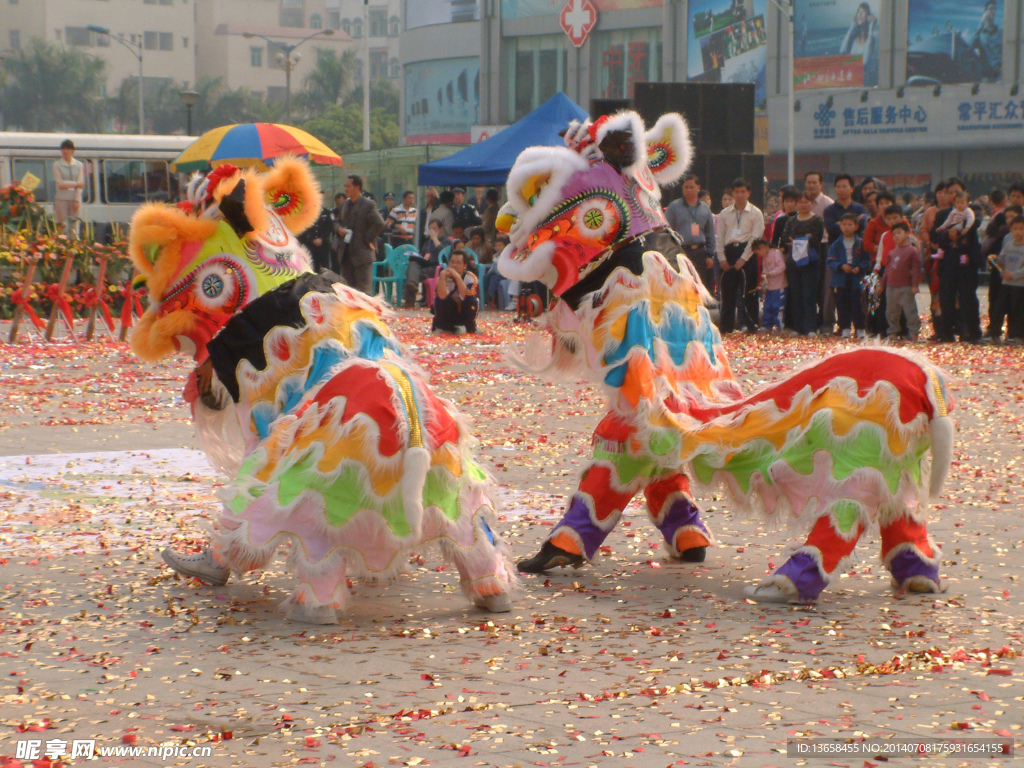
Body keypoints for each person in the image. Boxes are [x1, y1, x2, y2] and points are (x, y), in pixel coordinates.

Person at [930, 178, 983, 342]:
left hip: (967, 259)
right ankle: (946, 332)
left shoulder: (973, 210)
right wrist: (947, 234)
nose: (954, 195)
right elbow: (934, 234)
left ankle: (972, 332)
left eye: (957, 191)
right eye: (950, 192)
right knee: (946, 296)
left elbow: (975, 224)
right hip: (949, 259)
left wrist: (958, 231)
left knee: (968, 296)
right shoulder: (943, 214)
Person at [715, 178, 765, 333]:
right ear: (733, 193)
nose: (740, 195)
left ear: (748, 193)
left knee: (749, 292)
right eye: (736, 192)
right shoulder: (725, 213)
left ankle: (752, 326)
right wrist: (722, 258)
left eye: (743, 191)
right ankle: (726, 327)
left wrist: (744, 258)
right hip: (729, 252)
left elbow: (755, 237)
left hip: (748, 253)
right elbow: (719, 236)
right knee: (727, 293)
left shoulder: (756, 213)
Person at [781, 192, 825, 336]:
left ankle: (811, 327)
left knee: (809, 295)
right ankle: (797, 327)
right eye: (800, 202)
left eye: (806, 202)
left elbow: (815, 238)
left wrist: (799, 240)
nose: (803, 205)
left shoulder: (817, 220)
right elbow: (786, 237)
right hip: (793, 262)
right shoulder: (791, 220)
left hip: (810, 262)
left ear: (811, 203)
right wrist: (804, 238)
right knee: (796, 295)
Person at [334, 174, 386, 295]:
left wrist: (367, 238)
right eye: (345, 186)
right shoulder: (343, 205)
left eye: (348, 186)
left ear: (357, 187)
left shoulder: (368, 204)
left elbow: (379, 223)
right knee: (348, 289)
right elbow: (336, 221)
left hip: (362, 253)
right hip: (346, 253)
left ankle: (365, 313)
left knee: (364, 290)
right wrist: (338, 229)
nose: (346, 189)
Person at [665, 173, 716, 295]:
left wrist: (710, 254)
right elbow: (667, 231)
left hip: (699, 252)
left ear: (698, 187)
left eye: (691, 187)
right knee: (681, 285)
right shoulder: (674, 207)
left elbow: (710, 233)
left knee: (698, 285)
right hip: (680, 251)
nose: (688, 190)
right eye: (685, 187)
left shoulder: (705, 208)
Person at [826, 213, 870, 338]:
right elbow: (830, 260)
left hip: (856, 278)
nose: (846, 227)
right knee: (841, 303)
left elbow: (867, 261)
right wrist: (841, 265)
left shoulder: (861, 243)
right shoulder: (836, 244)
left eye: (850, 224)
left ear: (856, 227)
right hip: (841, 278)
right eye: (844, 224)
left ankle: (860, 328)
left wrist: (860, 267)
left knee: (857, 303)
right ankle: (844, 327)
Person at [879, 222, 922, 341]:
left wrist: (915, 285)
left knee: (910, 311)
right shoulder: (892, 252)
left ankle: (913, 333)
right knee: (891, 312)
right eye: (894, 234)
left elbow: (916, 269)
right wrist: (882, 285)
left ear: (907, 234)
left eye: (899, 233)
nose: (896, 236)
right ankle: (892, 332)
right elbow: (887, 270)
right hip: (891, 287)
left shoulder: (912, 251)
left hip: (905, 287)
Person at [432, 245, 478, 334]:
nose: (454, 265)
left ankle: (469, 327)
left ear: (464, 266)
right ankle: (444, 327)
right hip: (449, 311)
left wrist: (457, 276)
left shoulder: (470, 277)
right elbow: (442, 296)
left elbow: (464, 295)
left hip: (464, 311)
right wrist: (442, 277)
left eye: (458, 262)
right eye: (452, 262)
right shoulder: (442, 277)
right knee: (438, 300)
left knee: (473, 300)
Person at [404, 220, 450, 308]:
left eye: (434, 228)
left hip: (437, 267)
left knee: (414, 274)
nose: (432, 231)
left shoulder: (446, 241)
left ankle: (410, 296)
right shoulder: (428, 241)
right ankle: (412, 284)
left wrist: (435, 239)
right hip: (425, 264)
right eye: (430, 229)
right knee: (413, 264)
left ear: (441, 229)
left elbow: (443, 254)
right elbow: (422, 253)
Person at [995, 216, 1024, 343]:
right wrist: (996, 261)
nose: (1018, 231)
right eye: (1015, 228)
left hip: (1019, 284)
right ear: (1011, 230)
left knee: (1016, 310)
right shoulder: (1008, 245)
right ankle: (996, 333)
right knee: (1000, 308)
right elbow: (1001, 260)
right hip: (1006, 283)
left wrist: (1012, 274)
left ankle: (1015, 335)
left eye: (1021, 229)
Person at [841, 2, 879, 86]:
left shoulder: (871, 38)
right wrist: (852, 26)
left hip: (864, 82)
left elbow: (864, 61)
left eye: (863, 12)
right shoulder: (853, 38)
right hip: (851, 80)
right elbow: (842, 50)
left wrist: (871, 26)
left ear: (868, 16)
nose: (860, 14)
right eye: (858, 12)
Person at [53, 139, 85, 234]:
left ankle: (75, 246)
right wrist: (75, 184)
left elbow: (81, 183)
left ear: (72, 151)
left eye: (68, 149)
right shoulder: (57, 165)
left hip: (74, 199)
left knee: (74, 227)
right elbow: (60, 183)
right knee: (62, 226)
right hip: (61, 199)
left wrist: (77, 200)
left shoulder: (79, 165)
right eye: (63, 149)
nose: (65, 151)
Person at [756, 238, 786, 333]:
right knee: (767, 306)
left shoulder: (776, 253)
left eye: (758, 252)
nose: (758, 255)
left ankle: (779, 326)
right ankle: (767, 325)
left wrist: (770, 273)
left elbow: (782, 267)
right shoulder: (765, 257)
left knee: (778, 307)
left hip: (779, 285)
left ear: (762, 247)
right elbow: (764, 269)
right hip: (769, 287)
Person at [970, 0, 1002, 81]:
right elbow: (970, 46)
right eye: (991, 9)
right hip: (986, 79)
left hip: (1000, 77)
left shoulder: (1000, 32)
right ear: (985, 12)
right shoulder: (980, 34)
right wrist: (981, 22)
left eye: (995, 9)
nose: (993, 11)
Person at [297, 205, 336, 272]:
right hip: (310, 245)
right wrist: (311, 239)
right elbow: (303, 228)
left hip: (323, 245)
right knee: (312, 268)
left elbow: (329, 227)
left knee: (325, 268)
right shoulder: (306, 212)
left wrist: (322, 238)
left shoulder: (326, 212)